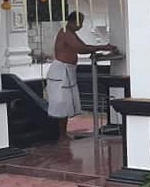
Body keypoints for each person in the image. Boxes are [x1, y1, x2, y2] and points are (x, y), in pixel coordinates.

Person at [46, 11, 115, 139]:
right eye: (81, 23)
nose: (81, 26)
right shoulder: (66, 32)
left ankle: (63, 133)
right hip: (61, 71)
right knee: (61, 104)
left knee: (66, 104)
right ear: (75, 22)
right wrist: (102, 47)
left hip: (68, 71)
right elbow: (81, 49)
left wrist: (99, 49)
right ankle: (61, 135)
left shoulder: (71, 33)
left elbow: (83, 46)